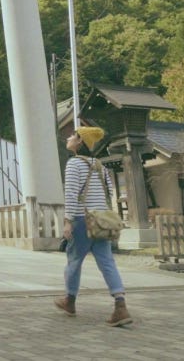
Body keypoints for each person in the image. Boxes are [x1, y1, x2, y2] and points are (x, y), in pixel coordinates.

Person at [55, 126, 133, 327]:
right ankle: (120, 305)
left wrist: (68, 221)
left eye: (73, 135)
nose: (69, 138)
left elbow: (72, 194)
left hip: (82, 219)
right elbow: (108, 193)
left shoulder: (74, 164)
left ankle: (69, 300)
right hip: (102, 221)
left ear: (80, 142)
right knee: (107, 262)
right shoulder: (100, 166)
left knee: (74, 260)